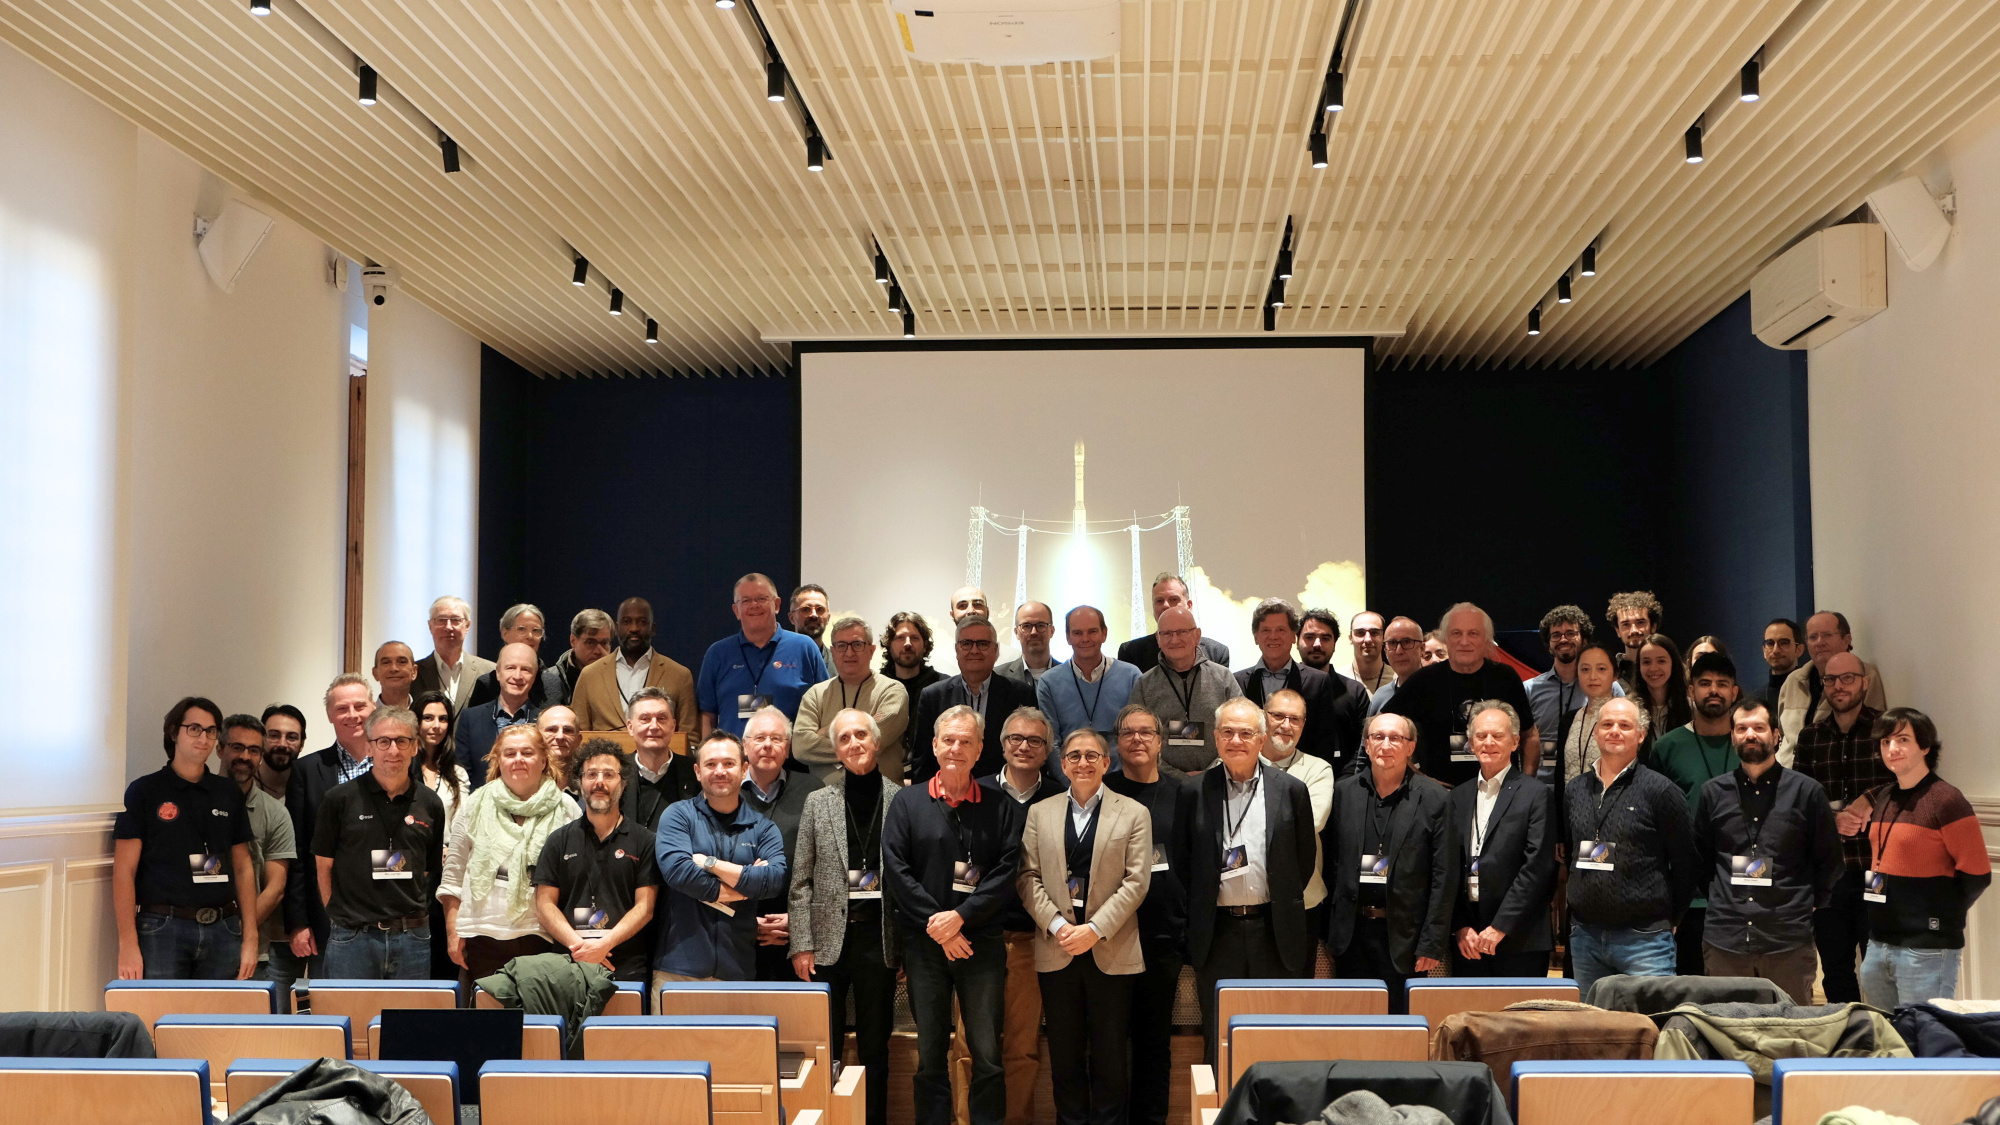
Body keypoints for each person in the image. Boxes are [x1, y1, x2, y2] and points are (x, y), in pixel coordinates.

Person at [882, 705, 1025, 1125]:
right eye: (949, 740)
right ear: (934, 745)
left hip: (980, 944)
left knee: (987, 1053)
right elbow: (896, 870)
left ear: (980, 750)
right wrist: (941, 926)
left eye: (966, 741)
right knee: (930, 1052)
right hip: (925, 946)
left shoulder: (1001, 806)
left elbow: (1005, 874)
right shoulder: (907, 802)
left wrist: (959, 919)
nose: (956, 748)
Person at [1017, 728, 1150, 1125]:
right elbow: (1027, 877)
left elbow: (1137, 881)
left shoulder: (1133, 812)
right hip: (1057, 948)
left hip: (1111, 947)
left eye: (1092, 756)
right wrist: (1059, 926)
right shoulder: (1040, 812)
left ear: (1107, 763)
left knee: (1111, 1055)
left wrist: (1094, 929)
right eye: (1074, 756)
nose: (1083, 763)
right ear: (1062, 764)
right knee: (1065, 1054)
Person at [789, 709, 903, 1125]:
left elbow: (908, 882)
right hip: (825, 944)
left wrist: (905, 948)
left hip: (880, 942)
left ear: (877, 742)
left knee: (876, 1046)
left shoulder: (902, 801)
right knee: (824, 1046)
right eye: (844, 739)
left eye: (860, 735)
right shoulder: (818, 802)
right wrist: (801, 944)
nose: (854, 744)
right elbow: (800, 881)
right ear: (836, 751)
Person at [1186, 698, 1316, 1063]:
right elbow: (1184, 862)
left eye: (1245, 733)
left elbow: (1302, 860)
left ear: (1261, 739)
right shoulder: (1193, 791)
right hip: (1217, 934)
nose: (1235, 740)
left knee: (1276, 1038)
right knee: (1219, 1038)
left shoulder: (1290, 790)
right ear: (1215, 738)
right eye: (1227, 732)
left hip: (1273, 931)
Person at [1692, 699, 1843, 1005]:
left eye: (1759, 728)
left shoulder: (1807, 792)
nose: (1750, 734)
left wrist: (1808, 903)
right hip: (1726, 941)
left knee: (1791, 1029)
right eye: (1741, 728)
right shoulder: (1712, 793)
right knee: (1726, 1028)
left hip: (1787, 942)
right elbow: (1701, 860)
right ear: (1732, 736)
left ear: (1776, 735)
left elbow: (1830, 860)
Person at [113, 697, 260, 980]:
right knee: (163, 1009)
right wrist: (127, 943)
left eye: (211, 731)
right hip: (162, 928)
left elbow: (243, 867)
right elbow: (123, 871)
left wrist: (251, 937)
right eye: (194, 729)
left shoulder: (227, 792)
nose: (203, 738)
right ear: (173, 733)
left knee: (219, 1010)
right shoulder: (144, 791)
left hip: (223, 928)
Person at [1562, 697, 1699, 997]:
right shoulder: (1575, 790)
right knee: (1592, 1023)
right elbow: (1571, 851)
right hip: (1585, 938)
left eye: (1625, 725)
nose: (1615, 731)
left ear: (1641, 735)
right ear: (1595, 732)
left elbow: (1687, 864)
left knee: (1651, 1021)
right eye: (1607, 724)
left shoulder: (1662, 791)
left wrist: (1670, 918)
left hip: (1645, 940)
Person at [1856, 708, 1991, 1009]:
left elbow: (1978, 874)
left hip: (1926, 948)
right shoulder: (1885, 797)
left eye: (1903, 739)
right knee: (1885, 1033)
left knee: (1924, 1032)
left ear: (1925, 746)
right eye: (1885, 742)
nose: (1892, 749)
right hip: (1879, 942)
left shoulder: (1946, 800)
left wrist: (1939, 914)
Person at [1102, 704, 1196, 1125]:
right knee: (1106, 1042)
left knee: (1154, 1043)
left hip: (1162, 934)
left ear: (1160, 742)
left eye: (1146, 732)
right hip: (1109, 935)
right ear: (1117, 742)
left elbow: (1194, 863)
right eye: (1128, 732)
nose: (1137, 739)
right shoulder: (1101, 791)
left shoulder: (1183, 793)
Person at [1325, 713, 1453, 1013]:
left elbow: (1444, 877)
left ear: (1410, 747)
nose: (1385, 745)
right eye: (1378, 737)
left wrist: (1432, 942)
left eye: (1395, 738)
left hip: (1406, 939)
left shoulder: (1435, 798)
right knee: (1353, 1026)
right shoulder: (1343, 792)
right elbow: (1331, 863)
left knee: (1401, 1028)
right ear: (1367, 745)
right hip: (1351, 935)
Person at [437, 724, 579, 984]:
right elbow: (453, 875)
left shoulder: (567, 808)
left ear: (544, 760)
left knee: (539, 1012)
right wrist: (453, 931)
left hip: (544, 938)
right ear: (498, 761)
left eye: (527, 752)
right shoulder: (474, 805)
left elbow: (577, 878)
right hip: (481, 939)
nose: (518, 759)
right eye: (510, 753)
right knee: (487, 1011)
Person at [312, 706, 447, 979]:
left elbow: (426, 870)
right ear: (369, 747)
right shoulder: (339, 799)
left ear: (415, 747)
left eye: (402, 741)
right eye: (383, 741)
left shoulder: (431, 803)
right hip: (353, 938)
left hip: (412, 938)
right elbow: (324, 866)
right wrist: (339, 919)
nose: (393, 750)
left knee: (408, 1009)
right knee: (349, 1008)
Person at [1790, 651, 1892, 1003]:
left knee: (1879, 963)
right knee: (1835, 968)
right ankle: (1845, 1032)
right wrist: (1833, 820)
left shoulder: (1887, 730)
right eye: (1830, 680)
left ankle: (1882, 1033)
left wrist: (1870, 798)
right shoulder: (1810, 737)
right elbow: (1798, 799)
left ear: (1864, 682)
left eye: (1847, 678)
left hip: (1876, 868)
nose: (1838, 686)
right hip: (1829, 873)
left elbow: (1907, 782)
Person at [978, 708, 1063, 1125]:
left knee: (1022, 1047)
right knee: (971, 1046)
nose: (1024, 746)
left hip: (1033, 938)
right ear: (1001, 744)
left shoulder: (1062, 798)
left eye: (1035, 741)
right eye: (1016, 738)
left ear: (1047, 751)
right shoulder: (975, 792)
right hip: (977, 940)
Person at [654, 731, 789, 987]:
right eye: (710, 764)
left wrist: (710, 864)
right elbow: (680, 874)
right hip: (677, 967)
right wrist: (746, 887)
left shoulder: (763, 828)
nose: (720, 771)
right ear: (697, 771)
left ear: (744, 769)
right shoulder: (678, 816)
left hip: (738, 968)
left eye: (728, 763)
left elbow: (773, 881)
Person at [279, 674, 378, 997]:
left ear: (373, 707)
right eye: (342, 708)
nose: (353, 715)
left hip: (389, 916)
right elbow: (296, 851)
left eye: (360, 706)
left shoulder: (397, 763)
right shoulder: (307, 771)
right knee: (335, 1007)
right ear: (329, 715)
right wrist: (298, 922)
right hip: (328, 920)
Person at [1647, 651, 1742, 975]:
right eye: (1705, 683)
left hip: (1742, 891)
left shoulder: (1750, 745)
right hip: (1687, 897)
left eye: (1722, 684)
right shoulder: (1667, 747)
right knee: (1689, 988)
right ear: (1691, 690)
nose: (1713, 690)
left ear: (1734, 692)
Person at [534, 741, 661, 982]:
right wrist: (581, 947)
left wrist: (604, 945)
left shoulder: (644, 841)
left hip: (625, 965)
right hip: (569, 963)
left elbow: (645, 908)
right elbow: (544, 905)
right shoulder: (558, 840)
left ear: (623, 783)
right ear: (580, 782)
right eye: (591, 774)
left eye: (609, 775)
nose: (599, 782)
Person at [1448, 702, 1557, 977]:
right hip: (1469, 939)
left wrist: (1500, 927)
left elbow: (1537, 867)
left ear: (1515, 742)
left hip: (1520, 937)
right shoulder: (1457, 797)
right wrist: (1460, 926)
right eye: (1481, 736)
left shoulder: (1536, 794)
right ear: (1471, 743)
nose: (1489, 742)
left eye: (1498, 735)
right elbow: (1448, 867)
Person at [1381, 603, 1540, 784]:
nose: (1464, 642)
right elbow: (1380, 726)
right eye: (1456, 633)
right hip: (1441, 794)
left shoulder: (1506, 677)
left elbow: (1530, 735)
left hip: (1500, 791)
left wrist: (1524, 786)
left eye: (1473, 633)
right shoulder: (1424, 679)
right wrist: (1417, 779)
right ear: (1445, 638)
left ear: (1487, 639)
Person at [740, 707, 826, 982]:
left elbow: (827, 866)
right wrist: (745, 922)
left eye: (777, 739)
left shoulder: (813, 791)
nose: (767, 745)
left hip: (799, 935)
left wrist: (799, 921)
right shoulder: (725, 790)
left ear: (787, 749)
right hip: (736, 932)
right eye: (759, 738)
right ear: (745, 746)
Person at [1237, 599, 1368, 770]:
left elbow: (1324, 742)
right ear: (1256, 637)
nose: (1273, 636)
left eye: (1281, 630)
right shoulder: (1238, 681)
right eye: (1266, 630)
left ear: (1293, 636)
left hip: (1302, 775)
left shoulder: (1318, 681)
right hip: (1249, 774)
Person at [699, 573, 830, 738]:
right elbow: (707, 715)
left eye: (761, 598)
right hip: (734, 753)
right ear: (736, 610)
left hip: (790, 754)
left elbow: (826, 707)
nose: (754, 605)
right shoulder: (717, 653)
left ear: (777, 605)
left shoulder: (805, 648)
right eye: (746, 600)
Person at [910, 614, 1037, 781]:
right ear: (957, 649)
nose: (974, 650)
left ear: (996, 650)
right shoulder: (933, 696)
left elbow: (1031, 752)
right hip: (948, 791)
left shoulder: (1021, 694)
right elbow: (922, 759)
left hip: (1003, 792)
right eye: (966, 643)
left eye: (983, 644)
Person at [1260, 689, 1335, 968]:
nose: (1286, 725)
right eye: (1278, 716)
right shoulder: (1237, 763)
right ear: (1263, 717)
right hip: (1249, 900)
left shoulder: (1318, 769)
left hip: (1303, 899)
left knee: (1297, 987)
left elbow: (1313, 823)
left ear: (1303, 725)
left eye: (1295, 719)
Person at [218, 714, 295, 983]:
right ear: (220, 749)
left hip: (252, 950)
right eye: (237, 747)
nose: (245, 757)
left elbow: (275, 888)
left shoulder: (276, 813)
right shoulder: (196, 803)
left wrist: (238, 930)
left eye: (254, 750)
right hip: (195, 942)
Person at [795, 615, 911, 781]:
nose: (849, 653)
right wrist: (864, 730)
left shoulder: (892, 691)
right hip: (825, 796)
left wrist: (826, 731)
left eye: (857, 644)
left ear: (871, 650)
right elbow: (801, 748)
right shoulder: (815, 694)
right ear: (833, 652)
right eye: (841, 646)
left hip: (882, 793)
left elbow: (875, 741)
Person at [1129, 606, 1244, 774]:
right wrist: (1176, 778)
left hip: (1219, 780)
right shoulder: (1144, 685)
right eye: (1167, 634)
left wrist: (1211, 774)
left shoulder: (1223, 678)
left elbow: (1242, 730)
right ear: (1158, 639)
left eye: (1182, 632)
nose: (1174, 640)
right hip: (1163, 783)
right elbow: (1136, 739)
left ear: (1197, 635)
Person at [572, 597, 698, 735]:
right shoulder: (589, 675)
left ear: (653, 628)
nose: (634, 628)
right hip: (604, 749)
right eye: (627, 622)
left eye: (642, 622)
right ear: (617, 628)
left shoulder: (679, 675)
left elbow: (689, 737)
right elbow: (578, 733)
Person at [412, 688, 470, 979]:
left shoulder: (457, 774)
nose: (436, 725)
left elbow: (463, 822)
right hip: (411, 869)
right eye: (428, 718)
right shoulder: (402, 771)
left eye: (443, 719)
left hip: (448, 871)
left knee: (444, 959)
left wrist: (449, 850)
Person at [1779, 611, 1890, 749]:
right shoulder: (1793, 681)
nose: (1819, 642)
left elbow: (1874, 732)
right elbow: (1782, 734)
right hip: (1789, 761)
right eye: (1813, 637)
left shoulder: (1864, 677)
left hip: (1833, 759)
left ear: (1846, 640)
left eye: (1827, 635)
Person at [1035, 605, 1141, 747]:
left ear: (1104, 634)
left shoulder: (1131, 676)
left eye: (1092, 632)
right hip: (1069, 761)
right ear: (1068, 637)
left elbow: (1138, 734)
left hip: (1121, 762)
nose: (1085, 639)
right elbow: (1051, 742)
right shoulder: (1049, 682)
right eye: (1077, 633)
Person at [1523, 606, 1612, 770]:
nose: (1563, 639)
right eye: (1556, 635)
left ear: (1584, 640)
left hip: (1589, 780)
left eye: (1571, 633)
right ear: (1549, 644)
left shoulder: (1607, 687)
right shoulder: (1529, 689)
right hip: (1542, 782)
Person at [455, 641, 543, 786]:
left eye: (525, 669)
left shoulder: (544, 722)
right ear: (498, 672)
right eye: (510, 668)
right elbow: (462, 775)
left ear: (534, 676)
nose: (517, 676)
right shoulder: (470, 719)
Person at [1117, 574, 1231, 673]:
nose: (1166, 605)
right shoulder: (1131, 653)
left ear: (1189, 605)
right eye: (1159, 601)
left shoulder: (1216, 653)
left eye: (1174, 599)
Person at [881, 611, 946, 768]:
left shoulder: (943, 687)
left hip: (930, 773)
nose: (907, 643)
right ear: (889, 644)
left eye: (914, 638)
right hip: (885, 773)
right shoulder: (876, 688)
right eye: (900, 637)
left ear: (925, 645)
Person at [413, 595, 495, 713]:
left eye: (456, 620)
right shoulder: (414, 673)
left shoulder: (489, 671)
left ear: (467, 626)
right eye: (441, 620)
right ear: (430, 626)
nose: (448, 627)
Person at [1556, 644, 1624, 784]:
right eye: (1585, 669)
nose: (1593, 677)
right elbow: (1560, 774)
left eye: (1601, 669)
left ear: (1615, 675)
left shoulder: (1626, 718)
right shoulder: (1569, 720)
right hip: (1571, 797)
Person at [626, 687, 699, 814]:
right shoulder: (617, 771)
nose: (654, 726)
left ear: (673, 726)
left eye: (661, 718)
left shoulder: (695, 772)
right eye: (645, 719)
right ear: (630, 727)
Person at [468, 604, 550, 710]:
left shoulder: (552, 682)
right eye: (522, 629)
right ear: (505, 633)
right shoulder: (487, 684)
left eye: (536, 630)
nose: (530, 636)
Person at [543, 608, 614, 707]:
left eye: (604, 643)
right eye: (590, 642)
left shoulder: (621, 678)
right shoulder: (549, 680)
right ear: (573, 641)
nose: (598, 651)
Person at [1632, 634, 1692, 736]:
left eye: (1661, 661)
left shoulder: (1692, 708)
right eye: (1646, 662)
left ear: (1673, 664)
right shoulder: (1630, 709)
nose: (1653, 668)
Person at [1367, 616, 1429, 715]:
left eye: (1407, 642)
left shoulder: (1439, 692)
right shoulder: (1380, 697)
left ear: (1422, 649)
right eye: (1392, 643)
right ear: (1385, 651)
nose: (1399, 651)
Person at [1604, 590, 1663, 687]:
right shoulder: (1607, 672)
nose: (1634, 630)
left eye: (1640, 622)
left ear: (1653, 627)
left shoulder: (1672, 668)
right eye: (1626, 624)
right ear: (1618, 631)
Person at [996, 601, 1061, 686]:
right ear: (1016, 632)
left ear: (1052, 631)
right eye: (1026, 626)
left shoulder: (1070, 676)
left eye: (1041, 625)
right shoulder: (998, 677)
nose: (1034, 632)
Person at [1332, 610, 1393, 697]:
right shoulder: (1336, 679)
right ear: (1350, 638)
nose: (1368, 639)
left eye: (1374, 633)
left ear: (1384, 637)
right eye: (1360, 633)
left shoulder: (1398, 680)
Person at [258, 703, 307, 802]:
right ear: (260, 739)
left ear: (301, 744)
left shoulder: (310, 790)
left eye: (291, 737)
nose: (282, 744)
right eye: (274, 735)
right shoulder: (243, 785)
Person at [1759, 618, 1805, 711]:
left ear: (1799, 650)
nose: (1775, 650)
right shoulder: (1756, 700)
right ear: (1764, 651)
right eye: (1770, 643)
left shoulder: (1811, 691)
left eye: (1783, 643)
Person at [537, 705, 582, 786]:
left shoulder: (589, 781)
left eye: (568, 730)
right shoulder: (523, 778)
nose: (560, 736)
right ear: (537, 736)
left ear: (578, 739)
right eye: (551, 730)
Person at [790, 584, 832, 660]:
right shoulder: (778, 659)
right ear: (792, 618)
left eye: (819, 609)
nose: (814, 615)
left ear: (828, 618)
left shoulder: (838, 663)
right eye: (806, 609)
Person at [372, 641, 419, 709]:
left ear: (414, 671)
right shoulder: (366, 715)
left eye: (402, 662)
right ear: (375, 673)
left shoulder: (426, 714)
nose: (394, 668)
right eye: (386, 662)